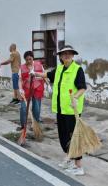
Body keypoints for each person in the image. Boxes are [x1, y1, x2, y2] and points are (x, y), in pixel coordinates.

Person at [33, 45, 87, 176]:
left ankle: (79, 166)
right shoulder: (59, 69)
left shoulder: (77, 70)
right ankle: (69, 159)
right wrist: (35, 73)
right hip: (60, 109)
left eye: (69, 53)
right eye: (64, 54)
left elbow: (82, 88)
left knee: (74, 138)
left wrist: (75, 97)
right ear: (61, 57)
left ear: (73, 55)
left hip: (71, 110)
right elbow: (47, 74)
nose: (66, 55)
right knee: (63, 137)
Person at [18, 51, 44, 132]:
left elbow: (44, 76)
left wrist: (48, 85)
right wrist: (20, 89)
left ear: (33, 58)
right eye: (27, 60)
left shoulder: (39, 65)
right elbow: (20, 79)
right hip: (26, 89)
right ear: (25, 60)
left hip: (37, 89)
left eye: (30, 59)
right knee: (23, 108)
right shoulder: (22, 67)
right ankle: (23, 126)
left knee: (36, 108)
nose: (29, 61)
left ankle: (35, 125)